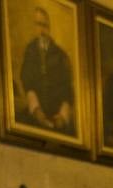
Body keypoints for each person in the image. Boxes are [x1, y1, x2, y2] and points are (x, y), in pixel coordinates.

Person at [20, 5, 73, 133]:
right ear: (34, 26)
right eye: (38, 25)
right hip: (36, 112)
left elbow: (67, 88)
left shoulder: (60, 54)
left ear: (49, 27)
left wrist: (62, 116)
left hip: (57, 115)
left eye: (44, 25)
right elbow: (27, 82)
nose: (42, 30)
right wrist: (36, 110)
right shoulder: (30, 50)